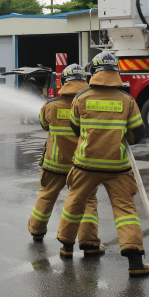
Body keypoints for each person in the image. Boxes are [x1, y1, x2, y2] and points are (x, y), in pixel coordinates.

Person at [56, 52, 149, 276]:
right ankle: (135, 262)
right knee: (125, 209)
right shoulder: (127, 100)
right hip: (116, 167)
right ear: (115, 71)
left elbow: (76, 128)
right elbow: (138, 134)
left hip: (84, 166)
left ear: (94, 72)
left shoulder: (81, 98)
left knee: (74, 204)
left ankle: (67, 247)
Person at [27, 63, 104, 256]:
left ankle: (37, 231)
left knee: (46, 195)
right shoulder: (90, 105)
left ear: (64, 82)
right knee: (87, 200)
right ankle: (89, 242)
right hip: (81, 165)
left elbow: (45, 126)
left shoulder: (50, 106)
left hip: (54, 164)